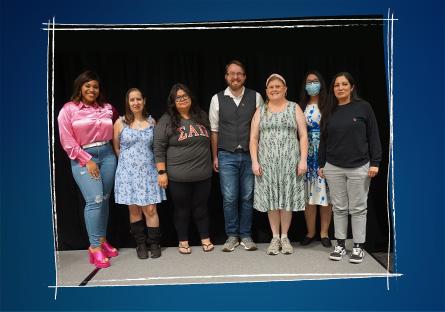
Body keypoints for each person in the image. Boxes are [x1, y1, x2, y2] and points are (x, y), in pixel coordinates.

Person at [318, 72, 382, 263]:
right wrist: (322, 164)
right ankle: (340, 245)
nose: (340, 88)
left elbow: (373, 136)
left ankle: (358, 247)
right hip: (333, 167)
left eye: (344, 84)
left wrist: (375, 162)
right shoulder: (329, 109)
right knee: (338, 208)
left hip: (359, 166)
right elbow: (323, 139)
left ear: (352, 87)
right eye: (337, 85)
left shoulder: (364, 107)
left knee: (358, 208)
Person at [57, 70, 119, 268]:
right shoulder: (69, 109)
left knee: (105, 199)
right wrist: (87, 159)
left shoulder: (107, 108)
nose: (92, 90)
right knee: (95, 200)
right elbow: (67, 141)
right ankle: (94, 248)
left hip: (108, 155)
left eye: (95, 86)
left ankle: (102, 240)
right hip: (84, 157)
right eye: (88, 86)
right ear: (80, 87)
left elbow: (120, 126)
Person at [250, 73, 308, 255]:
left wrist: (303, 160)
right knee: (272, 201)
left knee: (286, 200)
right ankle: (275, 237)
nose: (274, 89)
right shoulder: (261, 110)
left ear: (285, 89)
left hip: (290, 163)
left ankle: (285, 237)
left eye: (278, 86)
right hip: (267, 164)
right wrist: (254, 161)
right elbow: (253, 138)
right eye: (271, 87)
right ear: (266, 91)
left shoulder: (294, 108)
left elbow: (303, 135)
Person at [209, 60, 264, 252]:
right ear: (226, 77)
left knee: (248, 197)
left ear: (245, 77)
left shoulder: (256, 97)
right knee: (230, 197)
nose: (235, 77)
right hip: (226, 155)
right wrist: (215, 156)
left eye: (239, 73)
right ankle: (232, 235)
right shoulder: (217, 99)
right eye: (232, 73)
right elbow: (214, 131)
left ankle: (246, 235)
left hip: (250, 156)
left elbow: (259, 130)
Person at [154, 83, 214, 254]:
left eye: (185, 96)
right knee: (182, 209)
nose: (182, 99)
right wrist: (161, 172)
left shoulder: (201, 115)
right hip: (178, 176)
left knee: (201, 208)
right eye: (178, 97)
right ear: (173, 101)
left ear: (191, 98)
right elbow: (158, 147)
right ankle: (183, 241)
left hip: (203, 174)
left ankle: (205, 238)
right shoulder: (166, 120)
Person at [113, 88, 166, 259]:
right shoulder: (120, 123)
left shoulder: (152, 123)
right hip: (128, 173)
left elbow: (157, 147)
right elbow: (116, 147)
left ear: (144, 101)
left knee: (150, 209)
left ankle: (154, 242)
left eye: (138, 99)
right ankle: (141, 244)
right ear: (128, 103)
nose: (135, 103)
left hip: (149, 172)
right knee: (134, 210)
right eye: (132, 100)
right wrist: (127, 164)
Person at [299, 71, 333, 248]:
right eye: (308, 81)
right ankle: (310, 232)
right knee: (308, 195)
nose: (312, 84)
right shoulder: (301, 106)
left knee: (326, 194)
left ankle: (324, 233)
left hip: (325, 152)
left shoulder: (329, 104)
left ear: (321, 83)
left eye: (315, 81)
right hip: (306, 154)